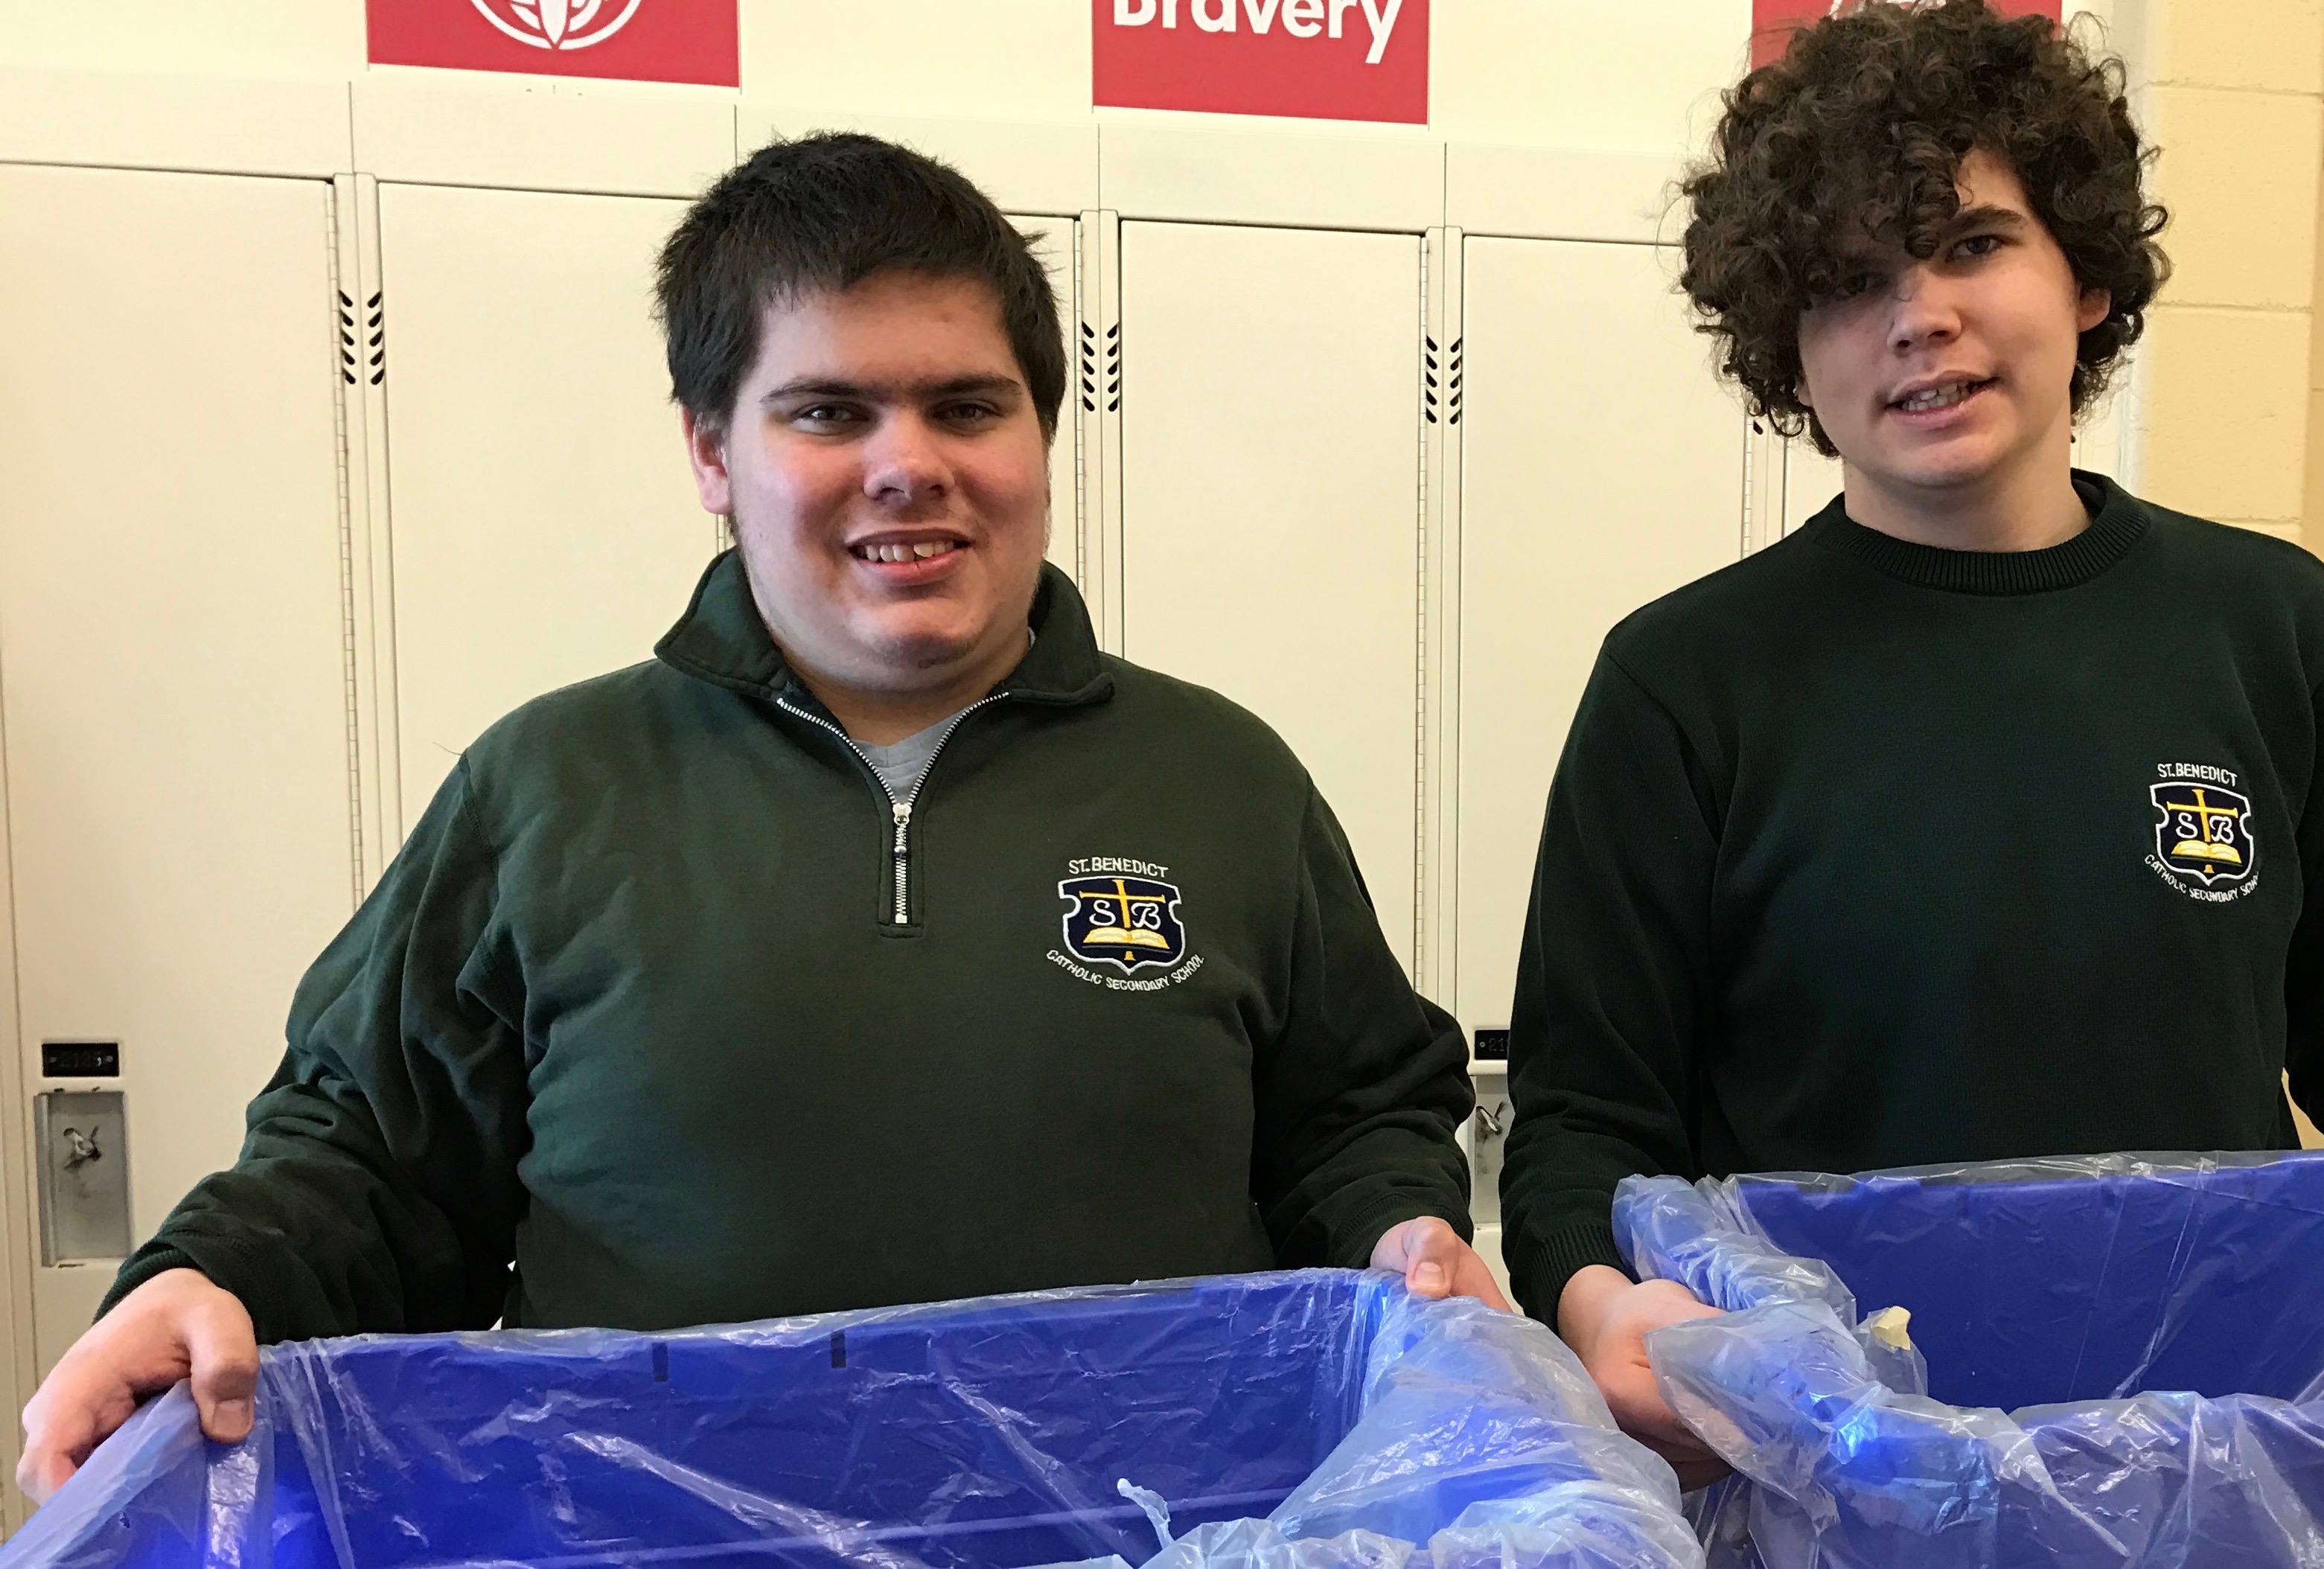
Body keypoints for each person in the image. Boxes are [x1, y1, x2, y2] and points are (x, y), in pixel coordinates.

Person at [19, 134, 1498, 1501]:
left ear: (1042, 435)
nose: (907, 461)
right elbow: (365, 1162)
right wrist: (206, 1276)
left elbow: (1354, 1114)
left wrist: (1401, 1232)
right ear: (713, 454)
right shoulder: (550, 787)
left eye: (966, 405)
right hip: (654, 1538)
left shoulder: (1222, 778)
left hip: (1159, 1530)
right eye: (828, 410)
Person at [1495, 2, 2324, 1483]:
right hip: (1843, 1463)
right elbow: (1586, 1122)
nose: (1919, 314)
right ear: (1788, 343)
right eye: (1850, 280)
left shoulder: (2264, 621)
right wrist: (1607, 1307)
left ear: (2087, 270)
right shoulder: (1688, 680)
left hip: (2217, 1445)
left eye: (1973, 243)